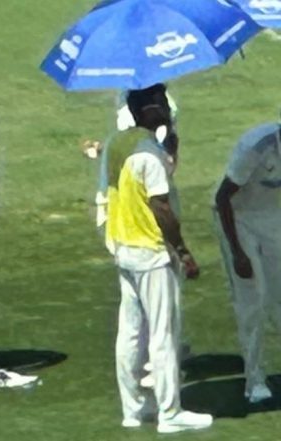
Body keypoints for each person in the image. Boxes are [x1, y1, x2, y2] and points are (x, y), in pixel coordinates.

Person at [102, 87, 212, 433]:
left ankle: (133, 409)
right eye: (162, 104)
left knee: (130, 333)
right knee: (163, 333)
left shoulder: (116, 144)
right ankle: (169, 412)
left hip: (124, 248)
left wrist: (171, 145)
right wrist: (183, 251)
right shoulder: (149, 154)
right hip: (151, 251)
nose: (167, 109)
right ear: (149, 109)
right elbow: (162, 208)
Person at [214, 114, 281, 403]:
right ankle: (254, 381)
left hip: (271, 217)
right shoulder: (256, 145)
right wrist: (237, 252)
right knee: (253, 299)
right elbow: (222, 198)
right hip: (236, 217)